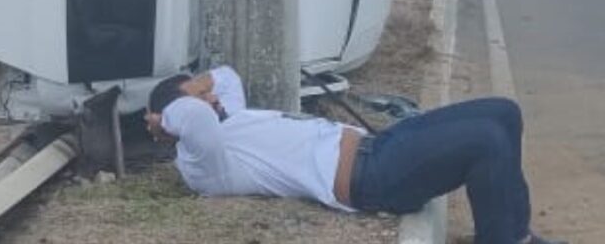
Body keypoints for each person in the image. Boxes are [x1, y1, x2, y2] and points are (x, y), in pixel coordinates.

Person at [145, 66, 566, 244]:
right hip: (372, 177)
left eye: (207, 92)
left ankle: (518, 235)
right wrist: (163, 120)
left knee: (504, 112)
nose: (212, 96)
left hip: (379, 145)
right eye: (202, 96)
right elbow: (194, 118)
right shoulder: (203, 163)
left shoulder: (227, 117)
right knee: (487, 141)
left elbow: (226, 75)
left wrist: (199, 86)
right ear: (174, 119)